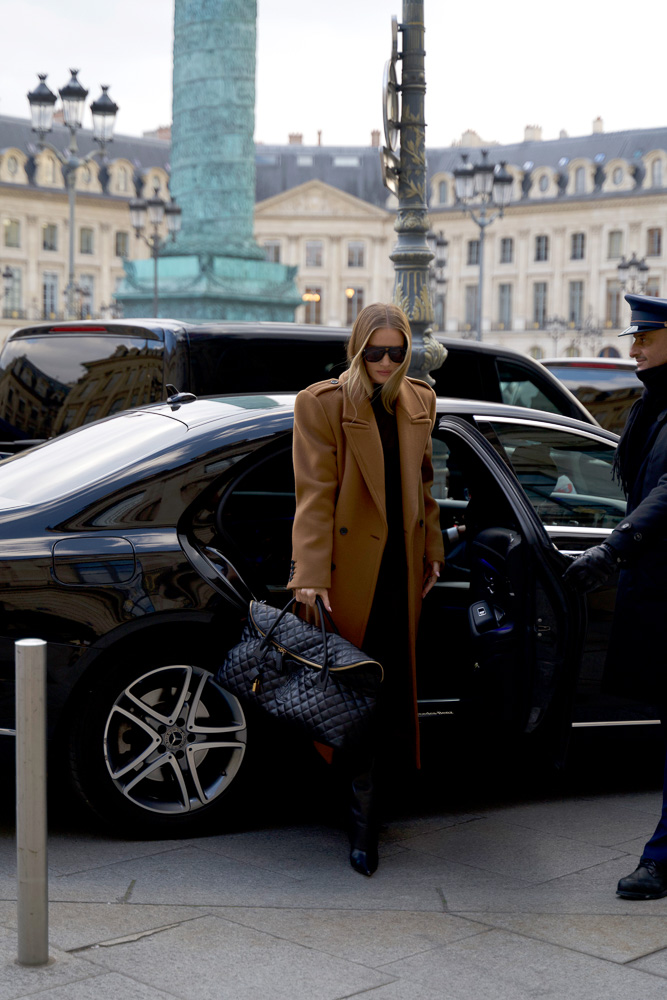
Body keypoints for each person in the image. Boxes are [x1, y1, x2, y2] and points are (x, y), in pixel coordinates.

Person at [288, 302, 445, 877]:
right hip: (351, 572)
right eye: (374, 351)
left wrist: (433, 551)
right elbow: (314, 493)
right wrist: (309, 572)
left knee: (386, 689)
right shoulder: (323, 403)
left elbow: (425, 488)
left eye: (396, 351)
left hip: (402, 569)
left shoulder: (420, 400)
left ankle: (368, 807)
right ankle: (361, 825)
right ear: (357, 349)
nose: (385, 361)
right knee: (354, 696)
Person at [564, 291, 667, 900]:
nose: (634, 347)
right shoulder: (650, 407)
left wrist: (615, 544)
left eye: (646, 337)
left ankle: (660, 858)